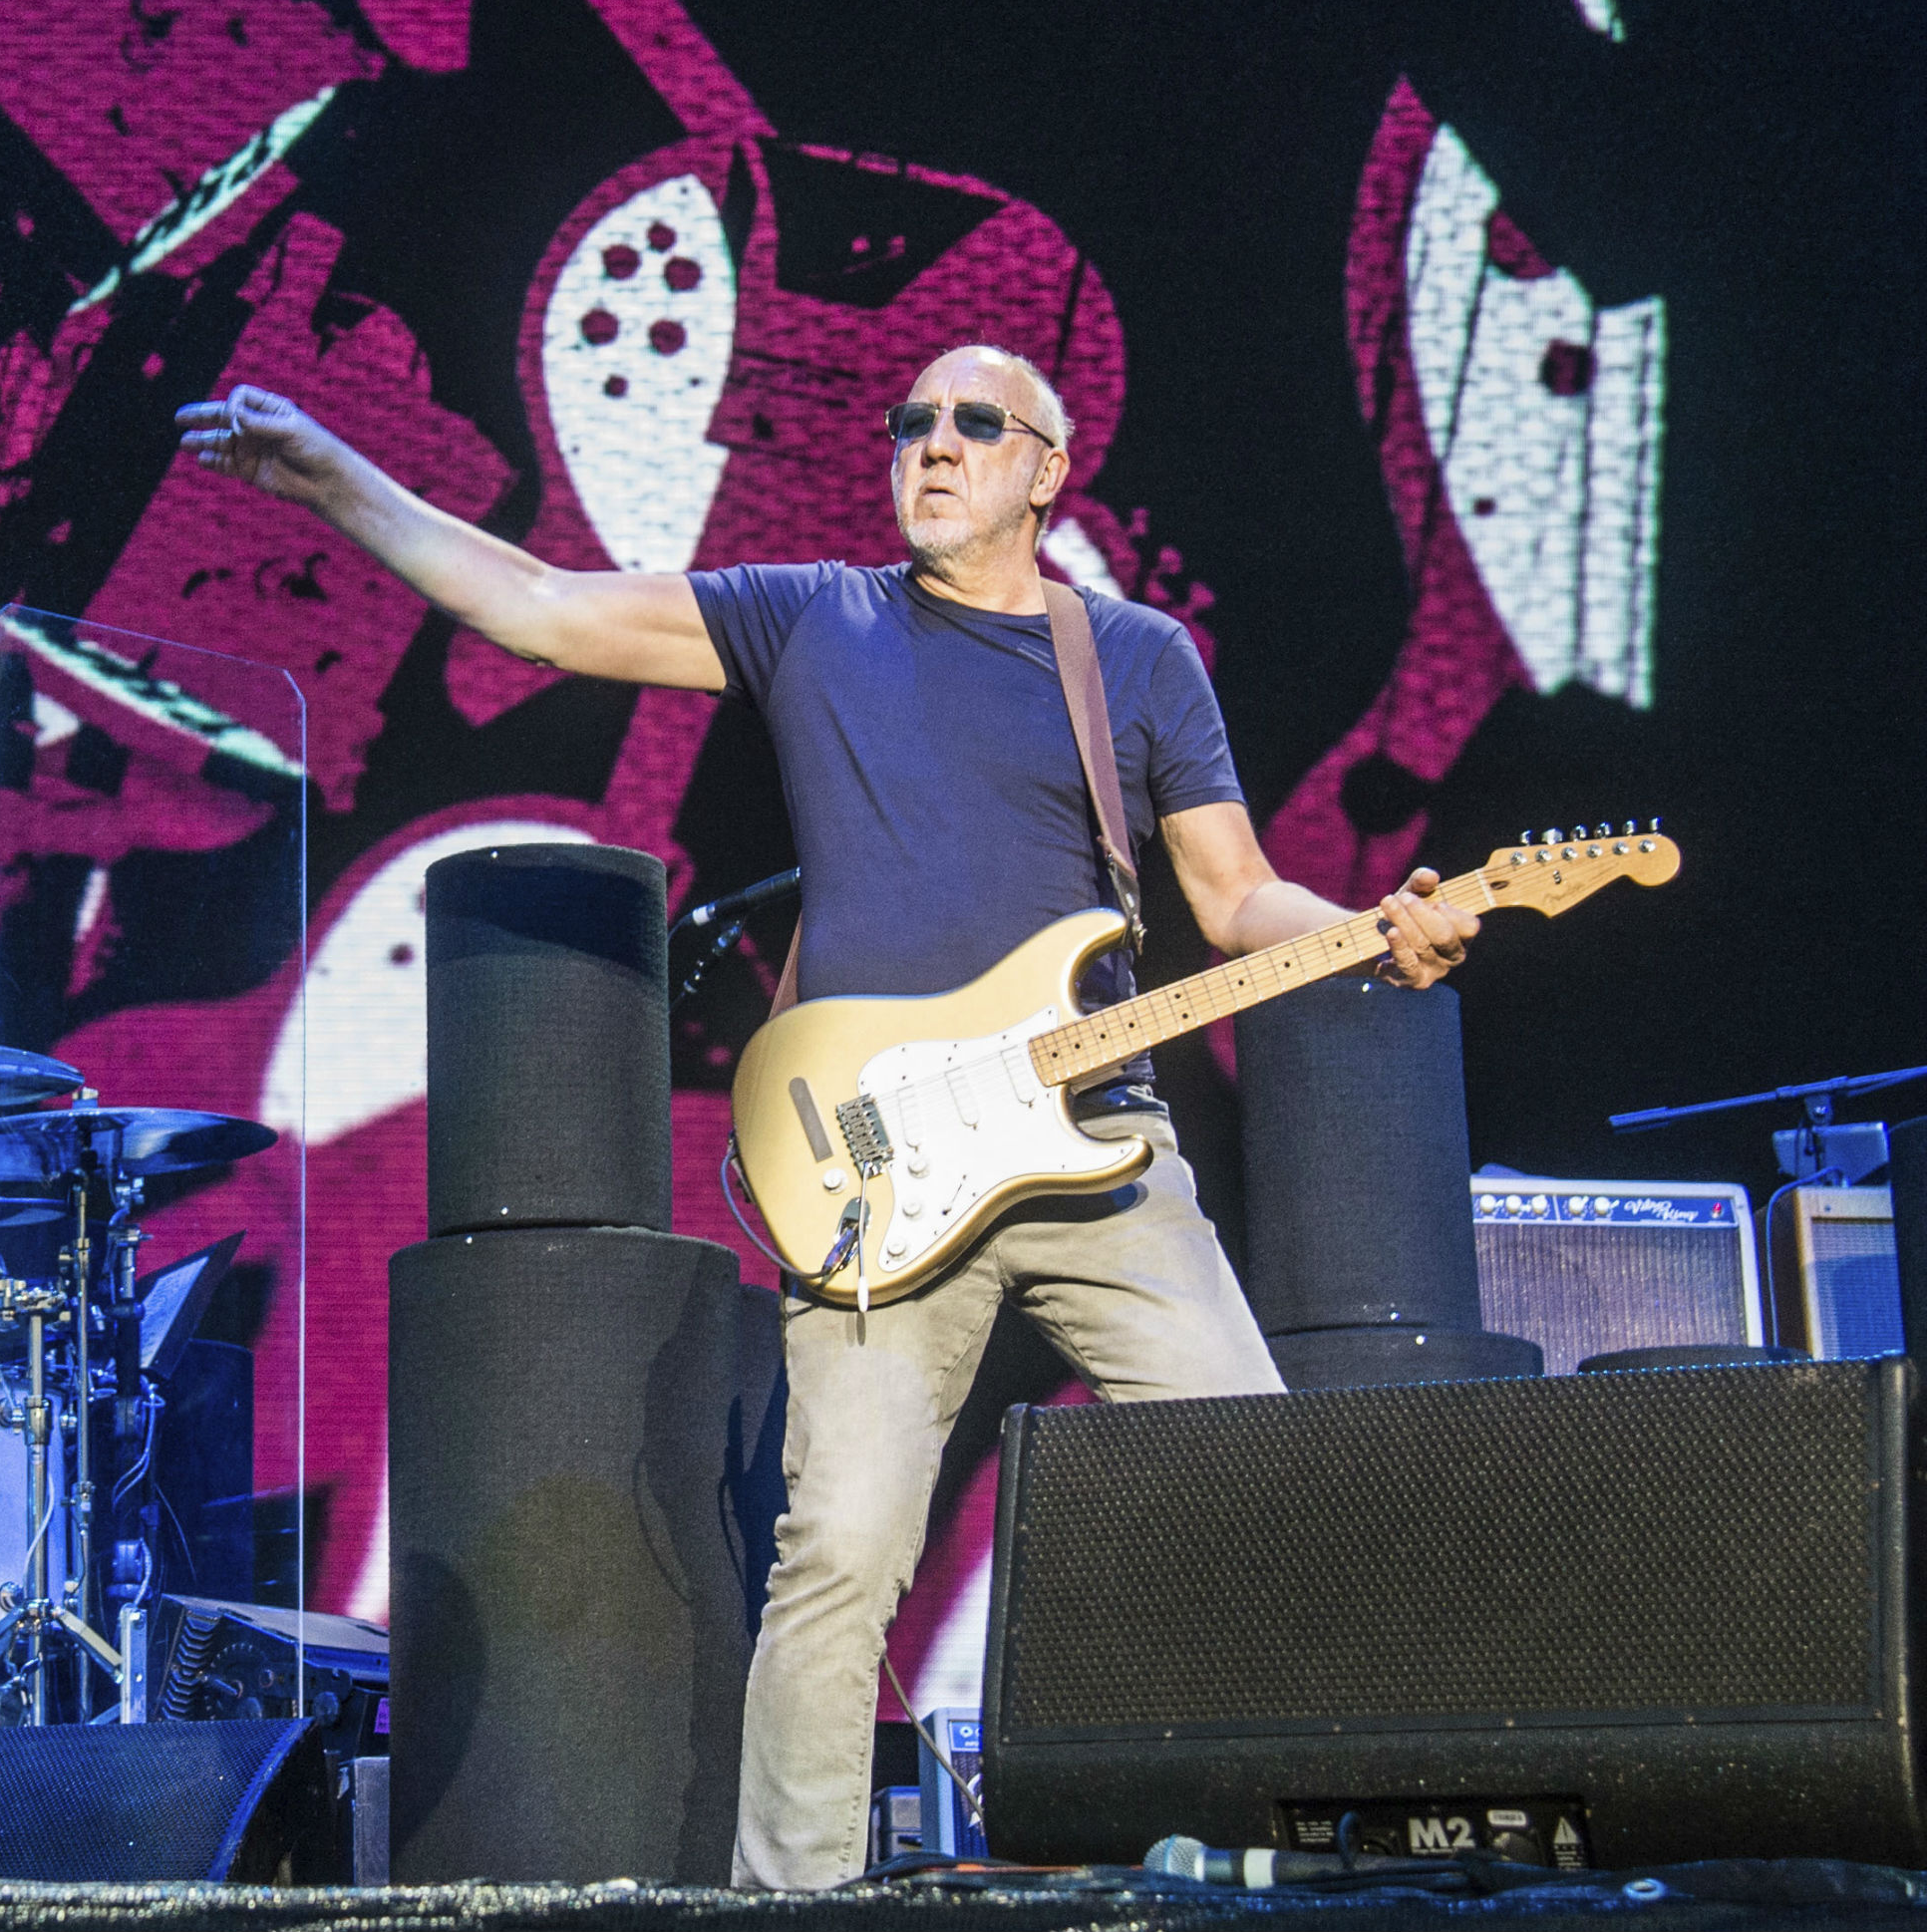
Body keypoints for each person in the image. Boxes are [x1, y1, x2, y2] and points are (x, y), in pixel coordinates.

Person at [173, 344, 1479, 1888]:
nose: (929, 443)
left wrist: (1365, 923)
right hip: (882, 1166)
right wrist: (336, 480)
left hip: (1100, 1152)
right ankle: (789, 1903)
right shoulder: (810, 616)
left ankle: (1323, 1872)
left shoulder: (1130, 658)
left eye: (971, 423)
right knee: (837, 1558)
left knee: (1262, 1496)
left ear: (1044, 469)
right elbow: (534, 603)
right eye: (908, 420)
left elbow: (1228, 891)